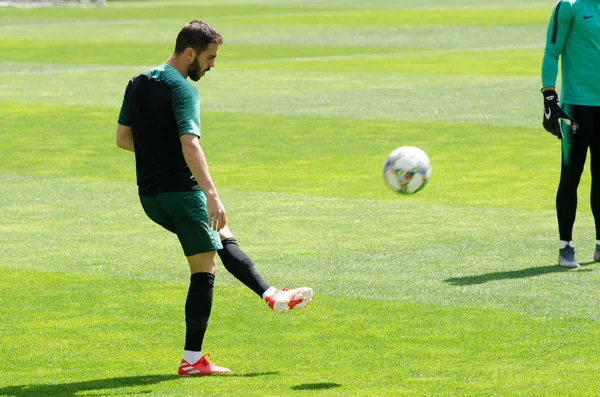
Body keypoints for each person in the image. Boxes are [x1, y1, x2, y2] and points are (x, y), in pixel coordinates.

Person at [115, 20, 313, 376]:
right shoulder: (184, 91)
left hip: (150, 197)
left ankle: (271, 295)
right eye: (209, 57)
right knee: (204, 268)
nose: (212, 65)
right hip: (182, 193)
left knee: (221, 236)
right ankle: (192, 360)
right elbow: (189, 143)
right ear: (189, 52)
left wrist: (158, 158)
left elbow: (123, 139)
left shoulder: (137, 82)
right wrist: (211, 194)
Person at [541, 0, 600, 269]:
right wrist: (550, 97)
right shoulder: (569, 5)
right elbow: (552, 51)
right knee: (571, 177)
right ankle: (566, 246)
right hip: (576, 108)